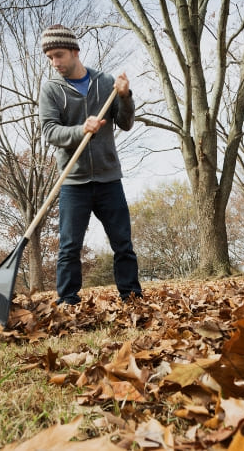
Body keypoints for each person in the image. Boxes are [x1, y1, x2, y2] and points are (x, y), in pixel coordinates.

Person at [38, 24, 142, 304]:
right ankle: (68, 301)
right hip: (74, 180)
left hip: (109, 178)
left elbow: (126, 123)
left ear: (74, 52)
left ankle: (131, 296)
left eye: (58, 55)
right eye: (49, 58)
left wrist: (124, 96)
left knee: (123, 244)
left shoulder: (105, 82)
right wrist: (79, 130)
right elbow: (50, 132)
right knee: (69, 246)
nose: (54, 63)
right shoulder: (51, 90)